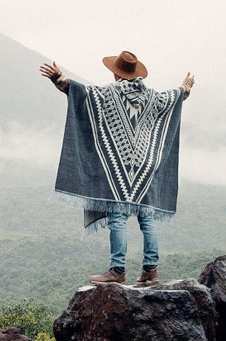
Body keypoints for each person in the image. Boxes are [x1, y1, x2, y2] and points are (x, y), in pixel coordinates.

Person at [40, 50, 195, 286]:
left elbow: (82, 93)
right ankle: (150, 271)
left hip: (118, 166)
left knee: (118, 216)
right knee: (146, 215)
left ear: (116, 74)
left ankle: (117, 270)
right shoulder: (152, 97)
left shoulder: (109, 95)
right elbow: (176, 97)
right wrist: (186, 85)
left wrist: (59, 78)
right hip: (146, 166)